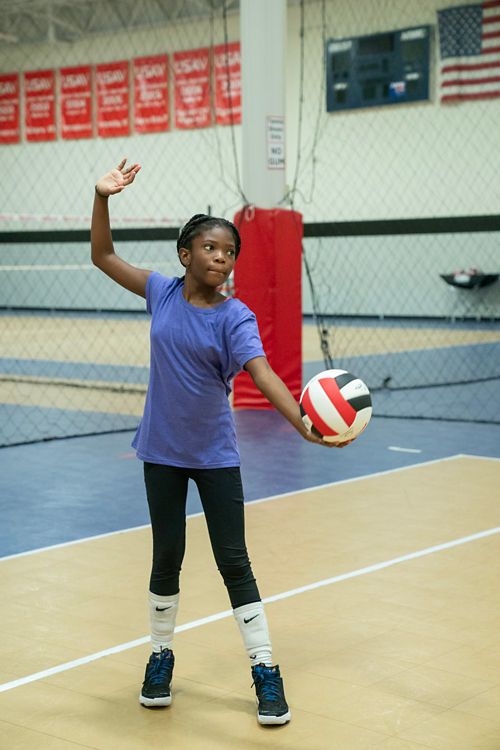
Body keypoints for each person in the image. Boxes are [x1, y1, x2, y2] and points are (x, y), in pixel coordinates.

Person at [91, 159, 348, 726]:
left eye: (229, 251)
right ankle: (160, 657)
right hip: (160, 451)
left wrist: (304, 425)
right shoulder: (160, 292)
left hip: (214, 457)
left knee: (235, 561)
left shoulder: (236, 317)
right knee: (167, 556)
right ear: (186, 254)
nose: (222, 258)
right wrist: (102, 196)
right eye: (210, 248)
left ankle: (264, 669)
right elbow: (103, 257)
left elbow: (263, 374)